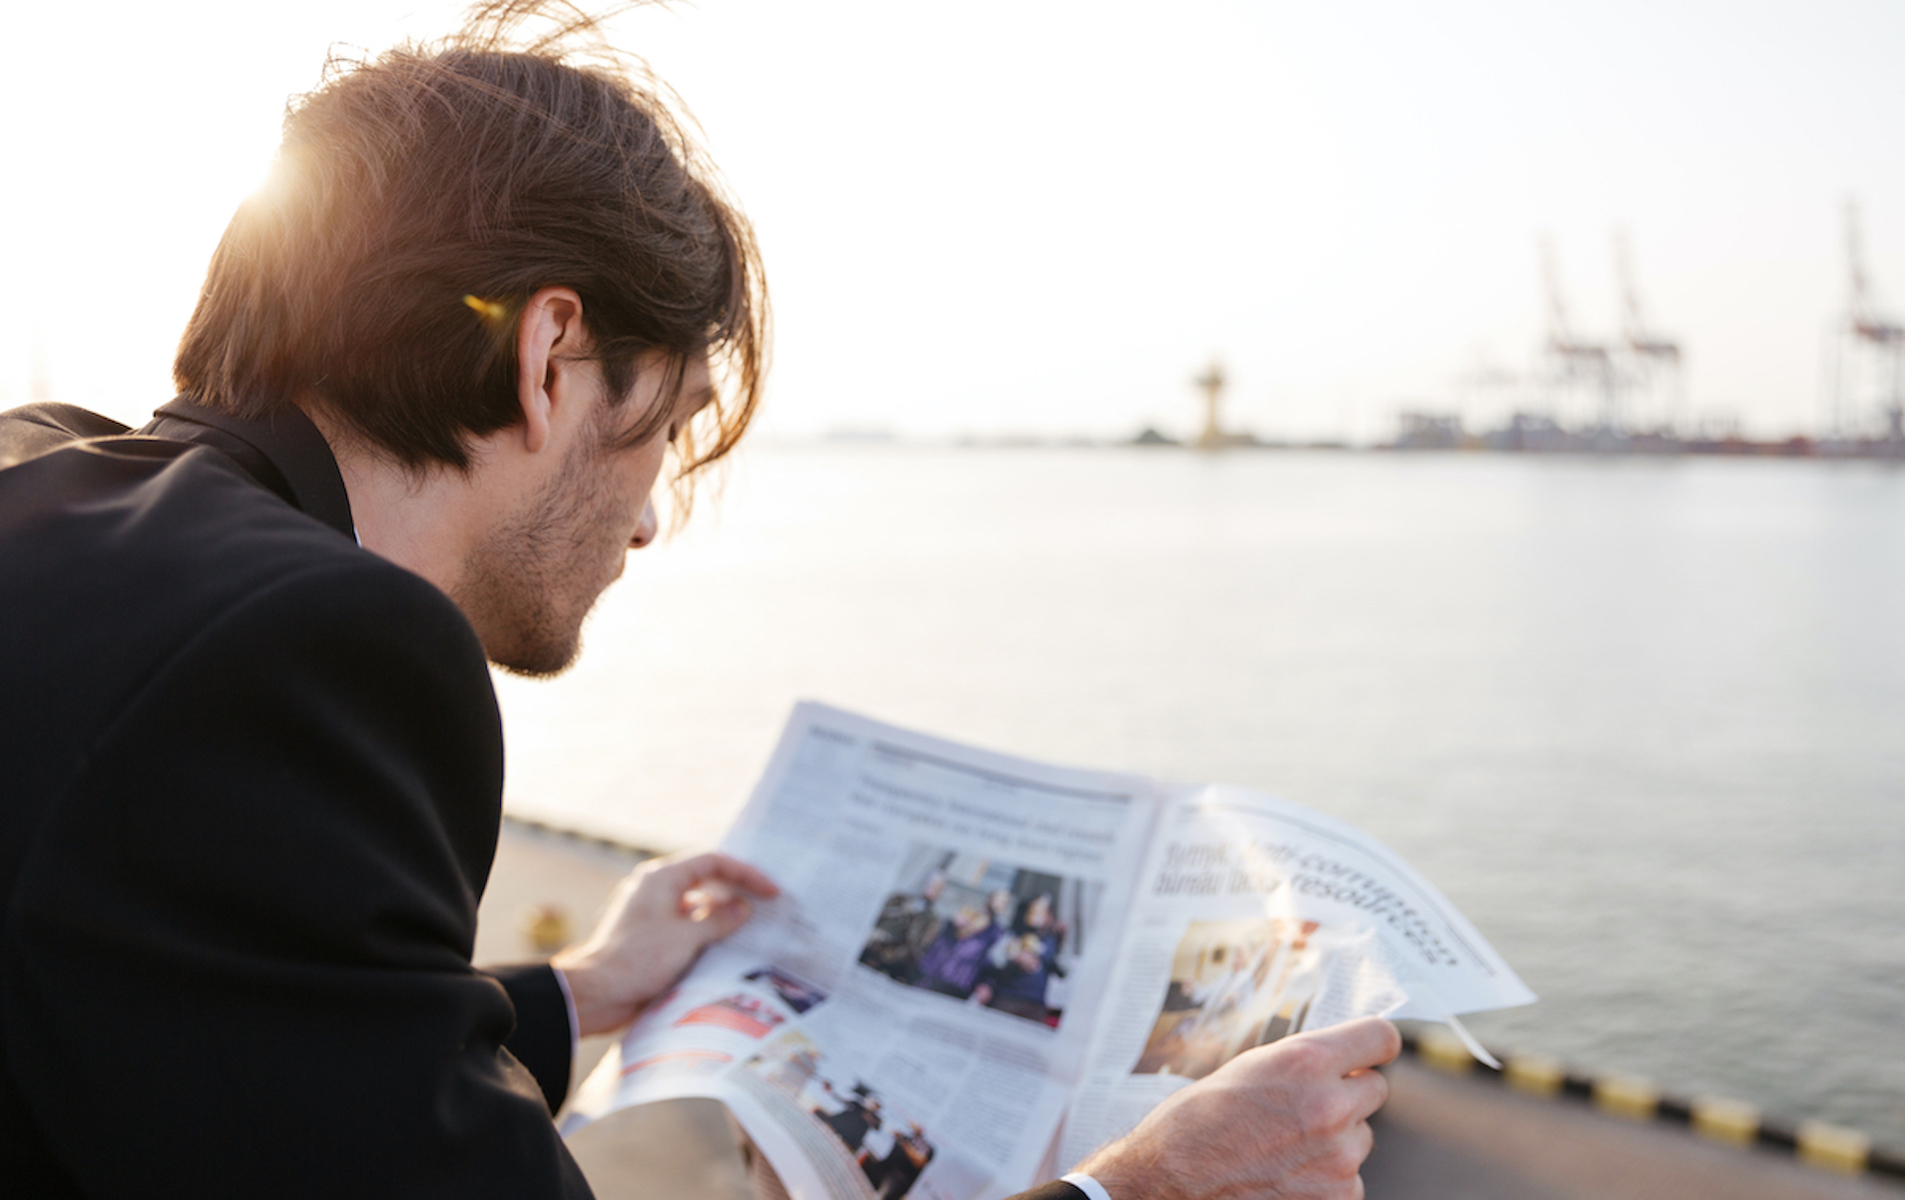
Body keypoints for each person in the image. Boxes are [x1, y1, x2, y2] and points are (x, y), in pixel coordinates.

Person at [0, 3, 1398, 1198]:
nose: (651, 514)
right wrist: (1139, 1185)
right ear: (550, 358)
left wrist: (583, 993)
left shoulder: (51, 478)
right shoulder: (309, 647)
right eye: (661, 427)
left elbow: (194, 1001)